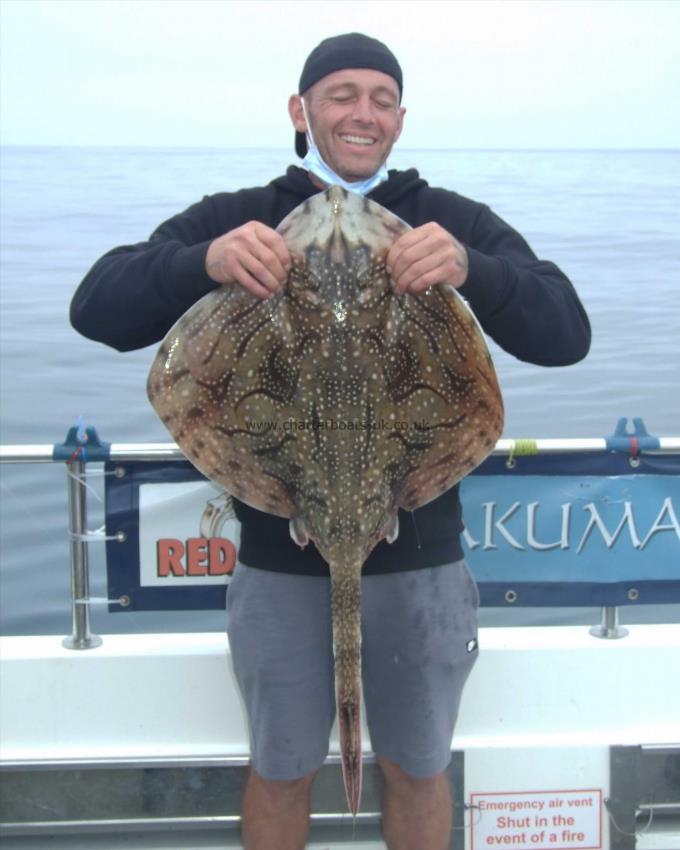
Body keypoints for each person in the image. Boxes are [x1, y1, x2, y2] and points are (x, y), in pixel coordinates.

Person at [71, 32, 590, 850]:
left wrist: (472, 269)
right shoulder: (239, 216)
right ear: (301, 110)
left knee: (419, 766)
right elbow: (96, 307)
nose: (363, 112)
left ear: (401, 119)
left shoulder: (449, 218)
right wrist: (203, 260)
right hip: (280, 552)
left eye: (382, 99)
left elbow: (567, 333)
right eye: (343, 93)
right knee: (280, 765)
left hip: (419, 552)